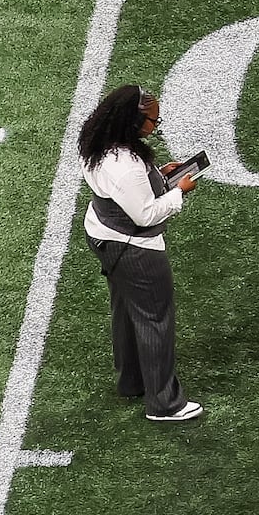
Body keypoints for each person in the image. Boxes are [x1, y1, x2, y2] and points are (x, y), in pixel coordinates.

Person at [76, 83, 199, 423]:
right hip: (132, 248)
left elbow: (125, 192)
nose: (154, 129)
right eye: (151, 123)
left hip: (103, 234)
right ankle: (164, 403)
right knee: (154, 318)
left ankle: (131, 380)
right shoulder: (126, 164)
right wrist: (180, 193)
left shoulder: (98, 144)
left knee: (126, 311)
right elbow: (145, 215)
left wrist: (161, 177)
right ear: (132, 122)